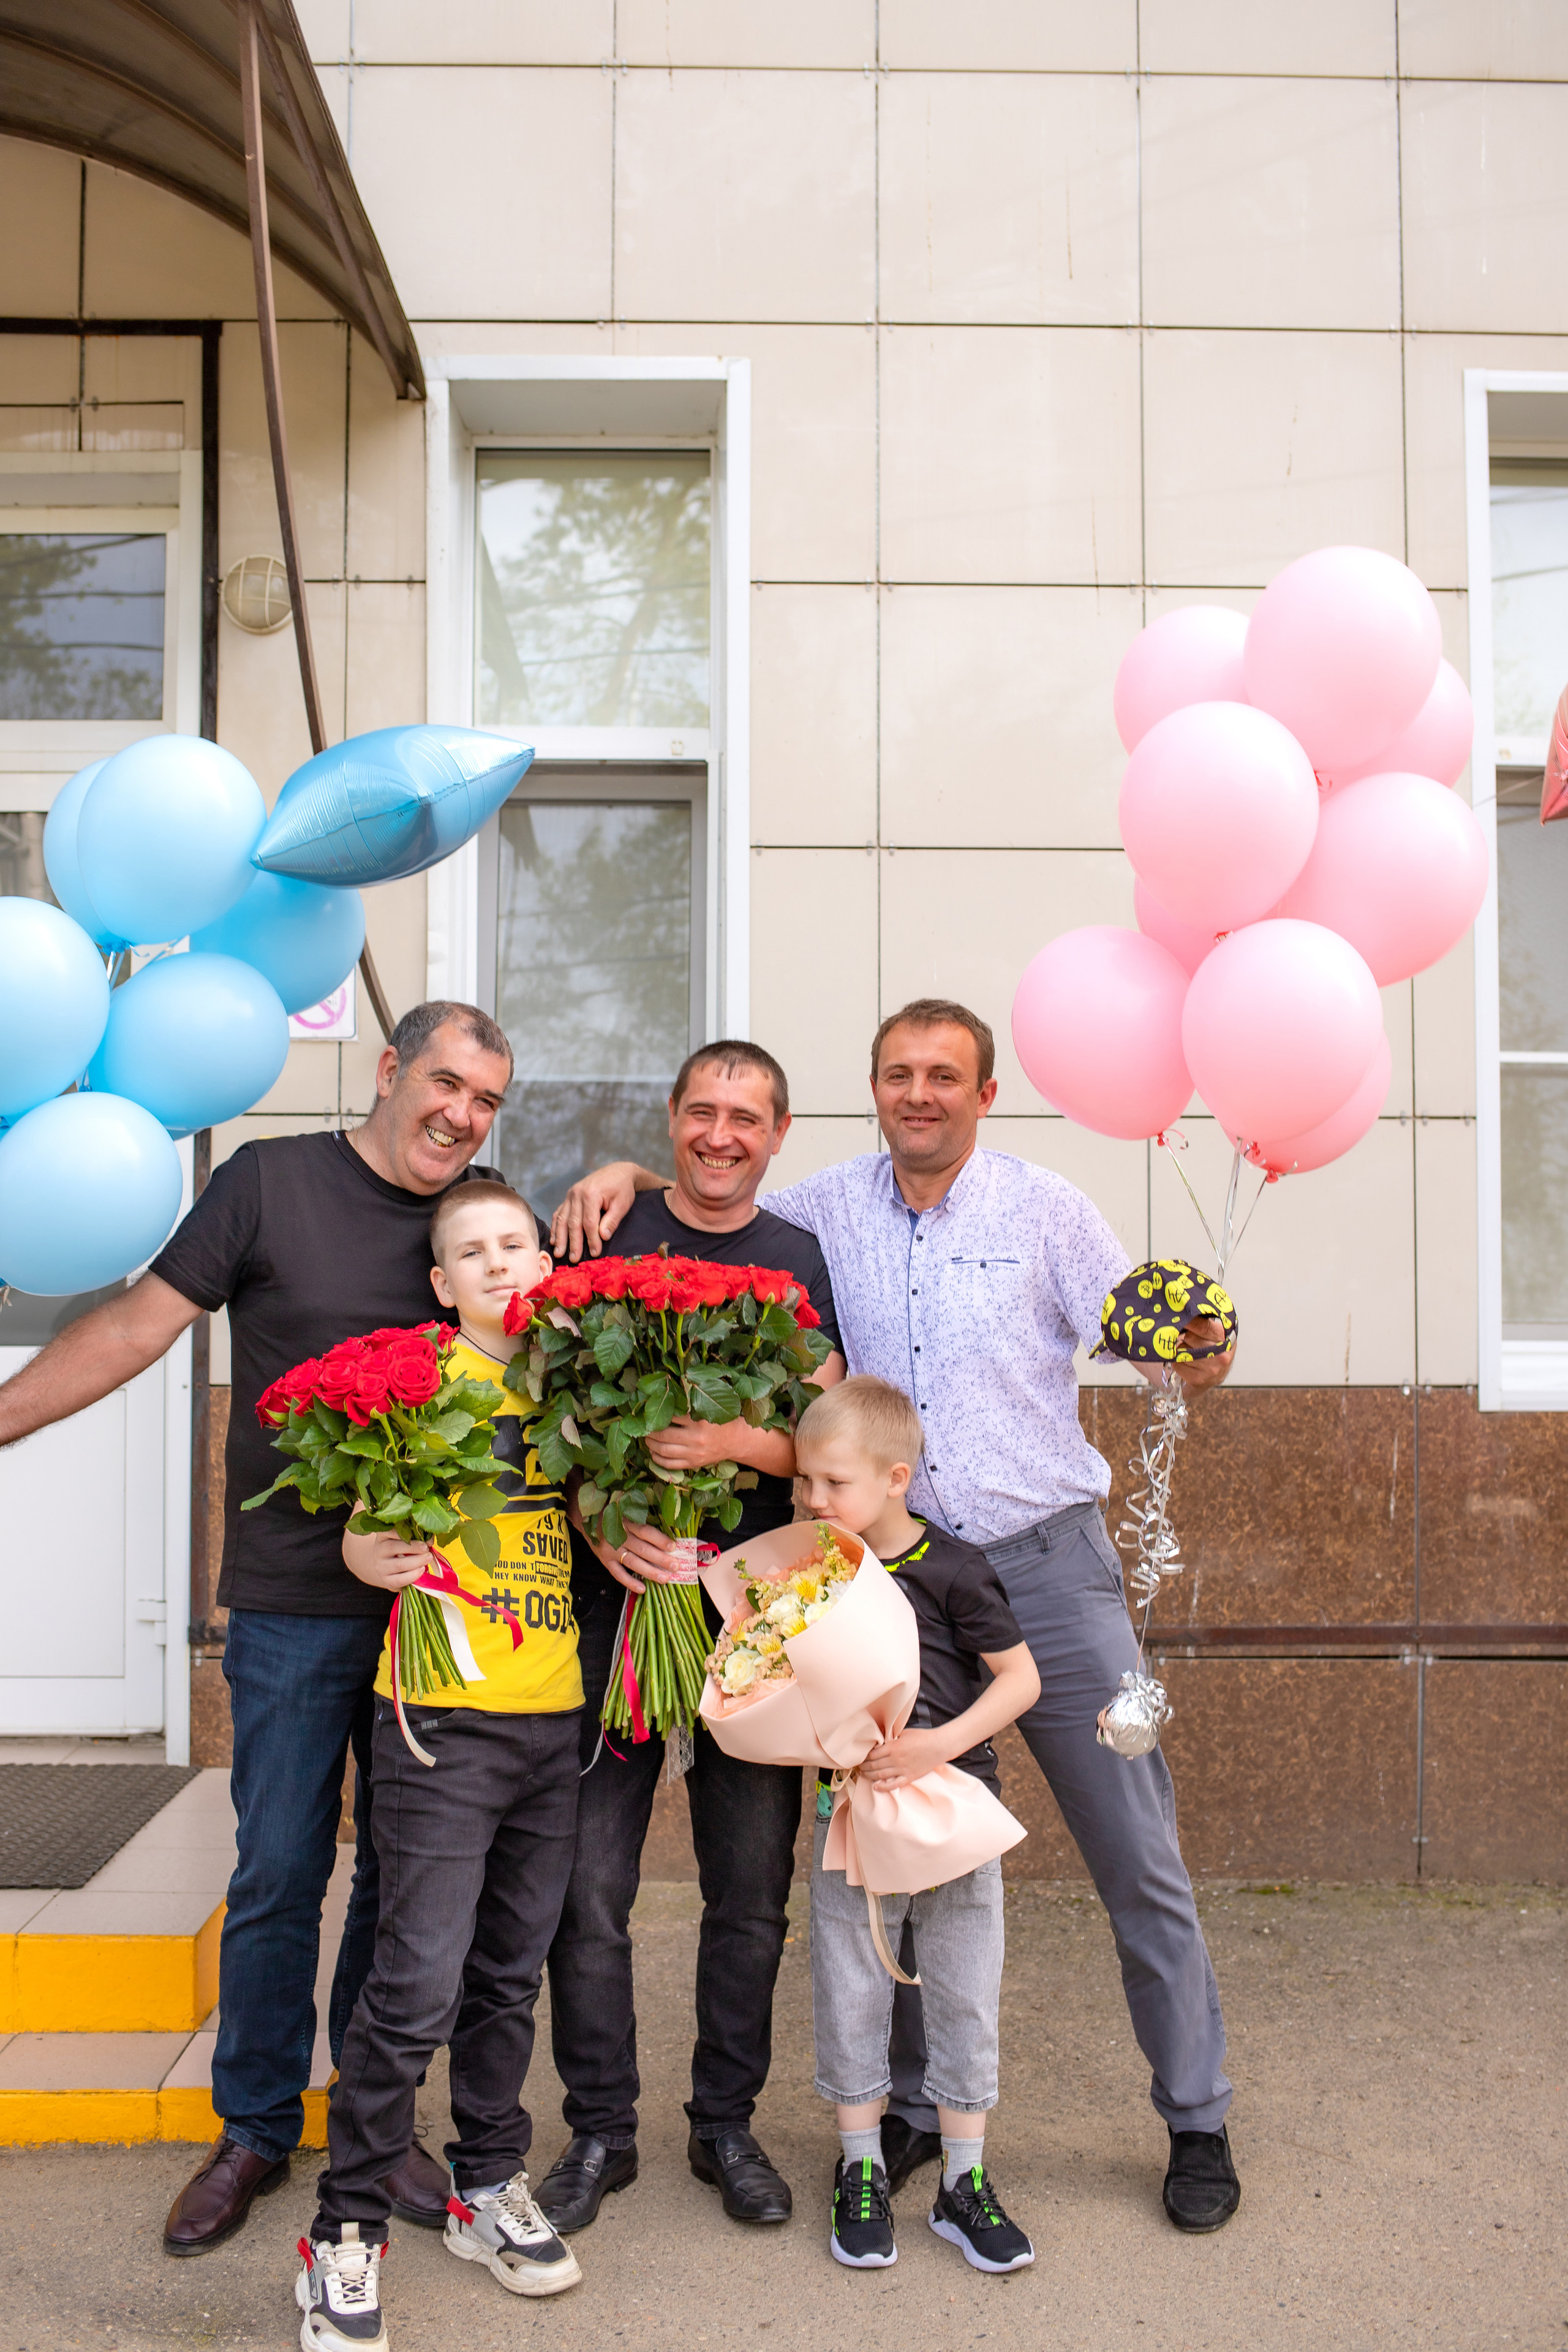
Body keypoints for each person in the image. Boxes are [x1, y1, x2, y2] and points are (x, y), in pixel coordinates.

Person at [552, 998, 1243, 2236]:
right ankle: (920, 2112)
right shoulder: (820, 1212)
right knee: (907, 1845)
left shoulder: (1047, 1210)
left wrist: (1197, 1349)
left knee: (1133, 1843)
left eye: (942, 1077)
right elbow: (719, 1190)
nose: (916, 1094)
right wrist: (624, 1173)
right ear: (869, 1091)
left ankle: (1195, 2116)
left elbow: (1152, 1340)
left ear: (982, 1095)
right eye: (895, 1075)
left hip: (1049, 1568)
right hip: (893, 1586)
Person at [0, 1000, 514, 2253]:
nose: (460, 1114)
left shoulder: (482, 1216)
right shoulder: (267, 1183)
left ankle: (369, 2126)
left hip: (433, 1615)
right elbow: (132, 1326)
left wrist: (622, 1174)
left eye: (487, 1099)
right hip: (289, 1607)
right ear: (390, 1070)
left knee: (397, 1885)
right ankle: (253, 2128)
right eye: (445, 1082)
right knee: (280, 1869)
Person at [530, 1040, 846, 2239]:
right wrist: (595, 1518)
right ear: (671, 1119)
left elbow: (824, 1432)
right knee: (587, 1888)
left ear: (775, 1134)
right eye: (703, 1111)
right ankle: (598, 2131)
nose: (722, 1134)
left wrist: (732, 1448)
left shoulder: (795, 1258)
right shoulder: (597, 1237)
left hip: (750, 1615)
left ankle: (726, 2126)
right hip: (618, 1609)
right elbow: (547, 1411)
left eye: (746, 1117)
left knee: (747, 1891)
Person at [296, 1182, 584, 2351]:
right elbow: (364, 1530)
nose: (501, 1265)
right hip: (439, 1727)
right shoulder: (417, 1382)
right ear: (442, 1284)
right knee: (413, 1986)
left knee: (510, 1977)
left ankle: (484, 2186)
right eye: (473, 1253)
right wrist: (365, 1549)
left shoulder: (576, 1385)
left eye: (516, 1245)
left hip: (551, 1715)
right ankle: (343, 2235)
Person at [792, 1375, 1040, 2275]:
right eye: (804, 1483)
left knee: (966, 1991)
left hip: (952, 1815)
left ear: (897, 1478)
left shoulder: (954, 1568)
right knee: (851, 1986)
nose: (815, 1501)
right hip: (851, 1814)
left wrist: (938, 1747)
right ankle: (859, 2168)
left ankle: (963, 2182)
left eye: (834, 1484)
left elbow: (1020, 1680)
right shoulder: (814, 1570)